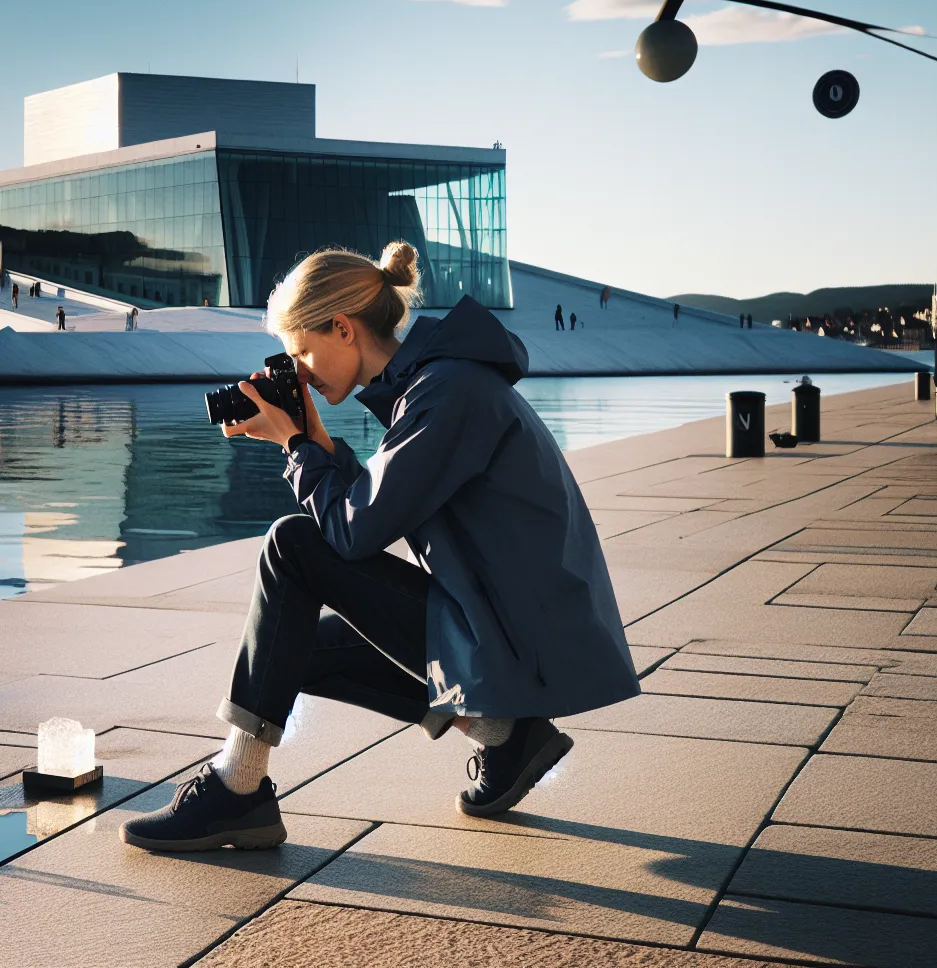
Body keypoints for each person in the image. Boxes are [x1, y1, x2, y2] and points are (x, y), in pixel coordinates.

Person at [121, 241, 638, 853]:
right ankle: (504, 733)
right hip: (506, 621)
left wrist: (297, 450)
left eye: (302, 351)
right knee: (290, 650)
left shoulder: (446, 394)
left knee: (291, 543)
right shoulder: (439, 385)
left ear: (342, 327)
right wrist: (311, 438)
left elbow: (348, 533)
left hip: (520, 637)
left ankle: (236, 789)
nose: (301, 371)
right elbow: (371, 511)